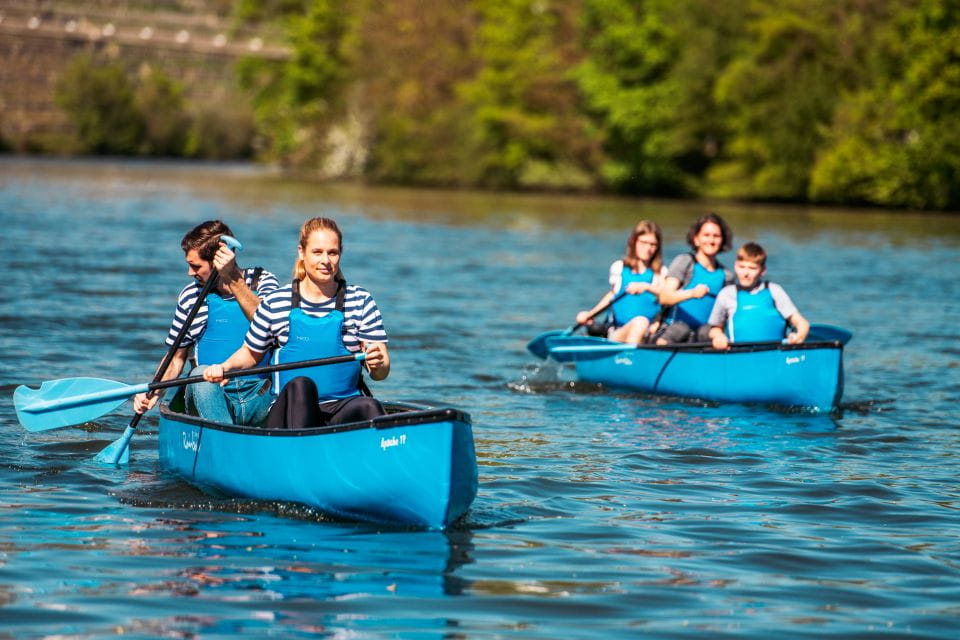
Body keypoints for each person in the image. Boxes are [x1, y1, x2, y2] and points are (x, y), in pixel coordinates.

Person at [202, 216, 390, 428]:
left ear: (340, 254)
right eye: (317, 252)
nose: (326, 261)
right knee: (302, 385)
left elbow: (381, 373)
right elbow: (250, 353)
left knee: (369, 406)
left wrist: (378, 364)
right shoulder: (276, 302)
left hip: (342, 407)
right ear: (301, 252)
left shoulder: (360, 300)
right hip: (288, 412)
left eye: (333, 253)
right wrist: (224, 367)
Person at [133, 220, 280, 424]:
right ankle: (226, 440)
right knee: (201, 374)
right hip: (210, 394)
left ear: (220, 260)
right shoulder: (191, 296)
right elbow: (176, 358)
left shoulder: (263, 281)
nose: (190, 273)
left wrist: (231, 278)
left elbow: (267, 324)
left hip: (259, 395)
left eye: (195, 266)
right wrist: (154, 392)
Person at [575, 220, 666, 345]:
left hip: (648, 334)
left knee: (642, 323)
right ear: (634, 241)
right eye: (643, 242)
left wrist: (646, 287)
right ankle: (629, 359)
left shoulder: (661, 273)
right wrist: (590, 314)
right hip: (618, 333)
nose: (648, 248)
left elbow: (666, 298)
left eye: (653, 244)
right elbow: (612, 296)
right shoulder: (619, 268)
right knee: (640, 322)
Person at [707, 242, 810, 350]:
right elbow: (715, 328)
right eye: (742, 267)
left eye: (752, 268)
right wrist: (718, 337)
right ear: (735, 266)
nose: (746, 273)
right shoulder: (726, 294)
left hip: (776, 354)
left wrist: (798, 336)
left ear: (762, 270)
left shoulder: (774, 291)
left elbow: (802, 323)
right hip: (739, 355)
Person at [656, 213, 735, 344]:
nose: (711, 240)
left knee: (711, 333)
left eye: (716, 236)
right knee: (681, 329)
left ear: (722, 241)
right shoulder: (685, 262)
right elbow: (664, 297)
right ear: (696, 239)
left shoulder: (727, 275)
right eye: (706, 235)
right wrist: (692, 293)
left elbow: (725, 316)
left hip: (704, 335)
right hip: (674, 330)